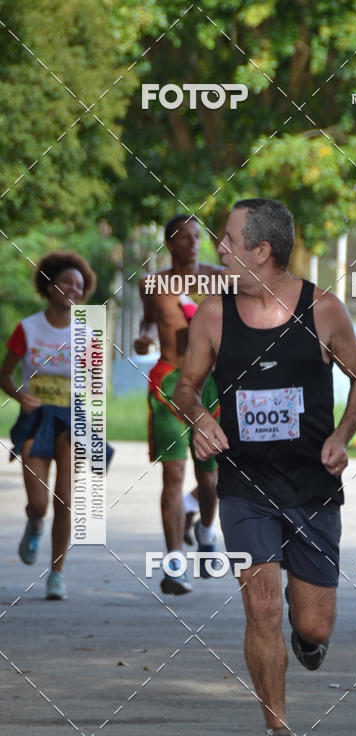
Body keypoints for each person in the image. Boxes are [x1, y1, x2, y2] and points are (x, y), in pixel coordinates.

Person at [174, 198, 356, 736]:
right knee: (259, 604)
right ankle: (278, 733)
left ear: (261, 251)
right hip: (243, 486)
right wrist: (200, 418)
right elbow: (185, 387)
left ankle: (308, 638)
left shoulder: (324, 310)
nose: (220, 247)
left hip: (311, 486)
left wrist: (343, 435)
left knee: (311, 624)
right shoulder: (213, 316)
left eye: (229, 239)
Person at [134, 214, 225, 594]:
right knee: (172, 475)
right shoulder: (152, 283)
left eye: (196, 236)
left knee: (209, 479)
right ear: (169, 243)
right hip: (169, 383)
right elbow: (149, 322)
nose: (192, 242)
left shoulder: (221, 278)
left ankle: (205, 529)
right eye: (183, 237)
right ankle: (174, 566)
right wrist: (144, 337)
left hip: (211, 386)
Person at [0, 252, 97, 599]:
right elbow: (4, 373)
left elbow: (94, 383)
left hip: (70, 418)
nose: (74, 289)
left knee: (65, 500)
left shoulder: (87, 333)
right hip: (35, 418)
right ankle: (34, 522)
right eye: (68, 282)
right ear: (50, 285)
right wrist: (20, 396)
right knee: (40, 501)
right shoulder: (28, 328)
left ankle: (57, 574)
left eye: (81, 285)